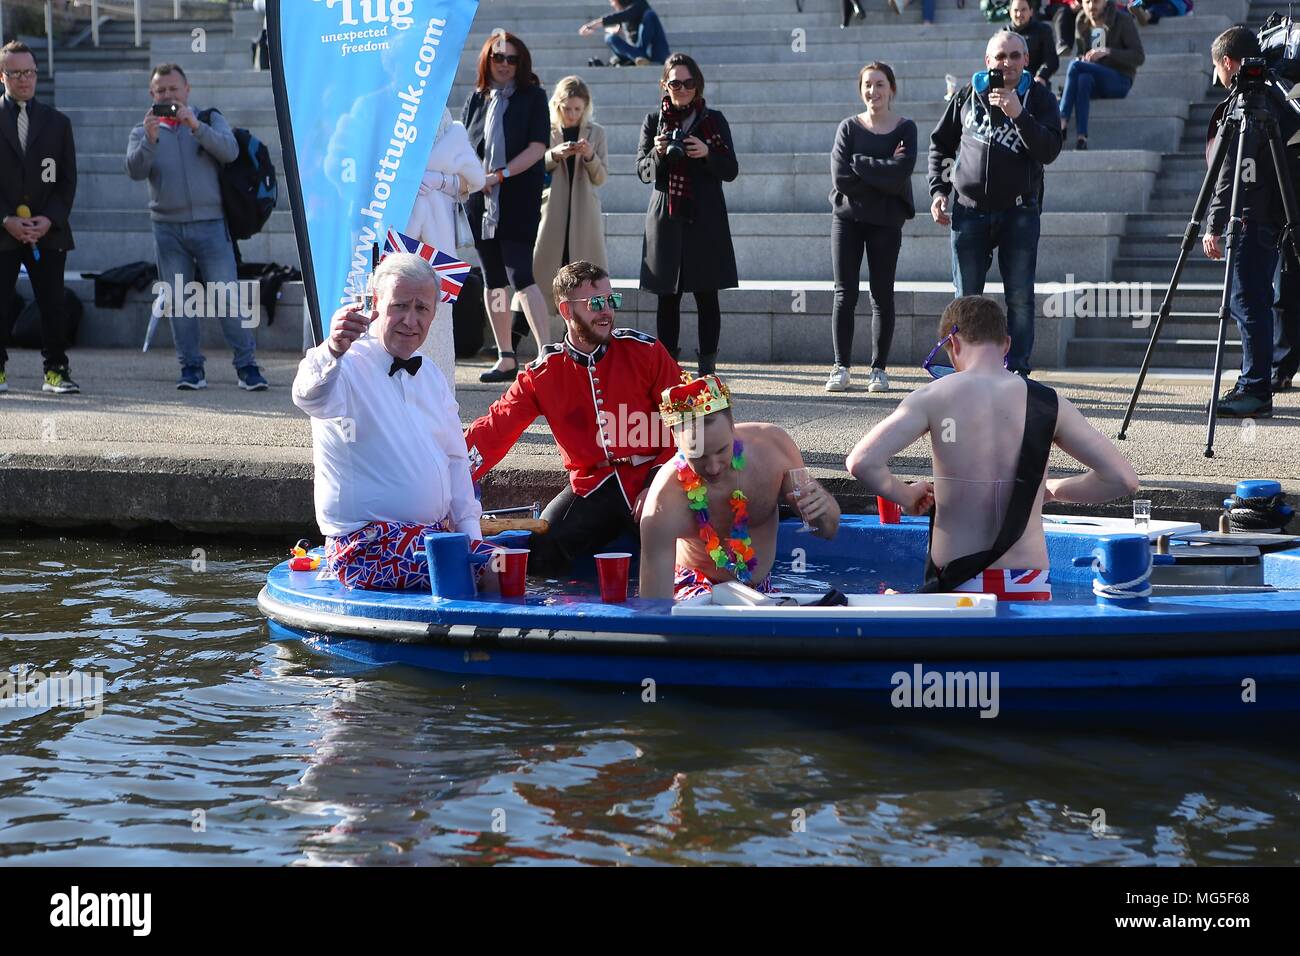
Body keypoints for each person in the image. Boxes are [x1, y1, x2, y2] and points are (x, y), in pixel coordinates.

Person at [846, 295, 1139, 599]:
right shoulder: (1050, 404)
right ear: (1007, 345)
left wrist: (906, 496)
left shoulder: (931, 398)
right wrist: (1052, 489)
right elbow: (1123, 479)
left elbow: (861, 461)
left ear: (953, 344)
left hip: (957, 587)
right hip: (1029, 583)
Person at [465, 261, 683, 574]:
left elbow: (689, 422)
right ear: (567, 310)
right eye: (596, 303)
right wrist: (446, 475)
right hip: (591, 487)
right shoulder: (543, 373)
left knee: (688, 555)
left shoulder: (646, 351)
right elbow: (494, 430)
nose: (607, 311)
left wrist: (660, 480)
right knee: (541, 551)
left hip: (654, 476)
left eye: (612, 300)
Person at [291, 253, 485, 591]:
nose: (410, 320)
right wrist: (333, 348)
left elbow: (456, 462)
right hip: (365, 546)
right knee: (488, 572)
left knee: (508, 561)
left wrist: (472, 540)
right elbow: (307, 395)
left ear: (434, 314)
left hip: (430, 538)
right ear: (376, 304)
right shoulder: (345, 365)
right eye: (400, 306)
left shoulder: (431, 375)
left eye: (421, 309)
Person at [928, 31, 1062, 378]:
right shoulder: (966, 96)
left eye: (1015, 56)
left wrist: (1018, 114)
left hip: (1019, 211)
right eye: (1000, 57)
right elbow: (941, 145)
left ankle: (1016, 371)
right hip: (969, 210)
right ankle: (966, 370)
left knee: (1019, 297)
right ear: (988, 61)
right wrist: (939, 190)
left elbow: (1049, 149)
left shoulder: (1040, 98)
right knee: (966, 297)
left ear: (1026, 60)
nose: (1007, 64)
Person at [125, 64, 266, 392]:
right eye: (161, 91)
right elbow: (134, 170)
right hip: (167, 229)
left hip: (212, 226)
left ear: (187, 90)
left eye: (174, 90)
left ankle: (247, 367)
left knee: (227, 297)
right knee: (178, 301)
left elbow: (229, 151)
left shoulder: (209, 119)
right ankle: (191, 368)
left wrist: (195, 126)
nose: (168, 96)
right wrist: (149, 140)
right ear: (152, 95)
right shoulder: (143, 129)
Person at [638, 374, 841, 600]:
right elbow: (654, 607)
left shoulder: (773, 450)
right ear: (677, 442)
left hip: (761, 592)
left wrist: (823, 509)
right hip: (695, 593)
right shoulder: (664, 501)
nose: (713, 467)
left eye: (721, 450)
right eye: (698, 456)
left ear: (733, 427)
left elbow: (827, 531)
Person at [1203, 27, 1289, 419]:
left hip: (1251, 218)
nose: (1217, 77)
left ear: (1227, 62)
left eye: (1216, 67)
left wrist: (1214, 223)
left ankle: (1255, 388)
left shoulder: (1249, 106)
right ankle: (1253, 381)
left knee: (1247, 304)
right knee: (1254, 303)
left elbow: (1231, 173)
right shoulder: (1277, 99)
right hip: (1271, 215)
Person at [637, 53, 739, 375]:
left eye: (688, 83)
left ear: (698, 85)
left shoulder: (714, 120)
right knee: (668, 297)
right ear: (664, 85)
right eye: (675, 83)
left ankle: (707, 370)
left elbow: (731, 170)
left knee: (707, 296)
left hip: (705, 217)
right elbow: (643, 171)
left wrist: (707, 153)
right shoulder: (654, 121)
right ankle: (668, 371)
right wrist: (659, 152)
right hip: (666, 218)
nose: (682, 89)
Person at [461, 31, 552, 385]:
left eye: (511, 59)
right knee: (493, 279)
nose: (504, 64)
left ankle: (546, 353)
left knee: (520, 275)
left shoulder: (533, 96)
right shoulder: (476, 99)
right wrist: (473, 179)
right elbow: (463, 144)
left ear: (521, 62)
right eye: (498, 58)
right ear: (487, 60)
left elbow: (537, 146)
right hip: (479, 199)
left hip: (515, 196)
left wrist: (500, 175)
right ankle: (506, 356)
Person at [827, 62, 916, 394]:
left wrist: (861, 163)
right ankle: (841, 366)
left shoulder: (905, 128)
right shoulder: (848, 128)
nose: (873, 91)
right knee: (844, 293)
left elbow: (901, 173)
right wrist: (883, 175)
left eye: (880, 85)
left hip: (886, 222)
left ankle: (878, 369)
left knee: (882, 295)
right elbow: (841, 178)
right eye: (867, 85)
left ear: (891, 89)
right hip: (847, 220)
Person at [0, 41, 78, 395]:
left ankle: (56, 371)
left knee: (53, 304)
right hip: (3, 231)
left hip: (47, 231)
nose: (24, 79)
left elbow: (67, 180)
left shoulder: (58, 123)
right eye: (16, 73)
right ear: (3, 76)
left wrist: (49, 219)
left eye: (29, 72)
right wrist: (5, 220)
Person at [404, 108, 486, 391]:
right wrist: (407, 182)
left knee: (437, 324)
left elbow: (474, 179)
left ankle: (439, 403)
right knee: (394, 318)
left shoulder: (444, 117)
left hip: (438, 244)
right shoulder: (382, 107)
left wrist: (440, 180)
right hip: (398, 236)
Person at [534, 76, 609, 324]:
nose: (572, 114)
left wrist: (589, 156)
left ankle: (582, 332)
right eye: (567, 108)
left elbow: (601, 177)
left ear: (586, 107)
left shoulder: (597, 133)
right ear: (557, 105)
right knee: (541, 272)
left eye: (578, 109)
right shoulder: (546, 129)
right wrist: (553, 155)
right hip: (552, 212)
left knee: (584, 278)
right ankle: (519, 334)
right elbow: (534, 167)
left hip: (583, 214)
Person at [1059, 0, 1144, 150]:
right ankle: (1081, 138)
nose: (1092, 6)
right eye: (1087, 2)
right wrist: (1084, 57)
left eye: (1096, 1)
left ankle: (1062, 120)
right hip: (1094, 79)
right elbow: (1081, 53)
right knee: (1083, 79)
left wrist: (1108, 51)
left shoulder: (1122, 19)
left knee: (1074, 65)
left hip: (1120, 80)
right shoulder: (1081, 21)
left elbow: (1139, 57)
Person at [579, 1, 671, 67]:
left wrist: (592, 25)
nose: (612, 4)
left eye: (612, 2)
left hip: (657, 52)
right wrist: (613, 31)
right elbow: (622, 19)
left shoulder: (640, 4)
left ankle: (640, 56)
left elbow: (624, 15)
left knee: (650, 15)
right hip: (635, 53)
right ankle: (639, 57)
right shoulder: (624, 19)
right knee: (609, 37)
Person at [1008, 0, 1060, 86]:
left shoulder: (1043, 30)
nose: (1019, 14)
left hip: (1036, 83)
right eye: (1016, 10)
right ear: (1010, 12)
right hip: (1010, 85)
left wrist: (1041, 76)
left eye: (1023, 10)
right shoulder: (1003, 35)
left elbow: (1051, 59)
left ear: (1031, 11)